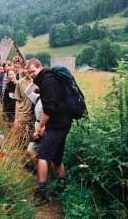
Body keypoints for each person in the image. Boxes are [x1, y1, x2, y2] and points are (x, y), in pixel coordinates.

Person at [26, 58, 73, 202]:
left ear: (40, 67)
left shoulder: (47, 81)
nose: (31, 75)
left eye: (33, 71)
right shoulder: (51, 78)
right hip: (63, 122)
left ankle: (41, 194)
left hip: (57, 124)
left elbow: (49, 109)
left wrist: (40, 127)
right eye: (29, 73)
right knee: (56, 158)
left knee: (43, 156)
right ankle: (62, 188)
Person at [12, 64, 36, 148]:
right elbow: (17, 101)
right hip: (23, 114)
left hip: (34, 115)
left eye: (29, 69)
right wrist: (16, 118)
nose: (27, 71)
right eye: (25, 69)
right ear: (23, 69)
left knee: (32, 137)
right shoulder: (19, 82)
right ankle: (19, 155)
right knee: (19, 138)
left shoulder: (37, 81)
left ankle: (28, 156)